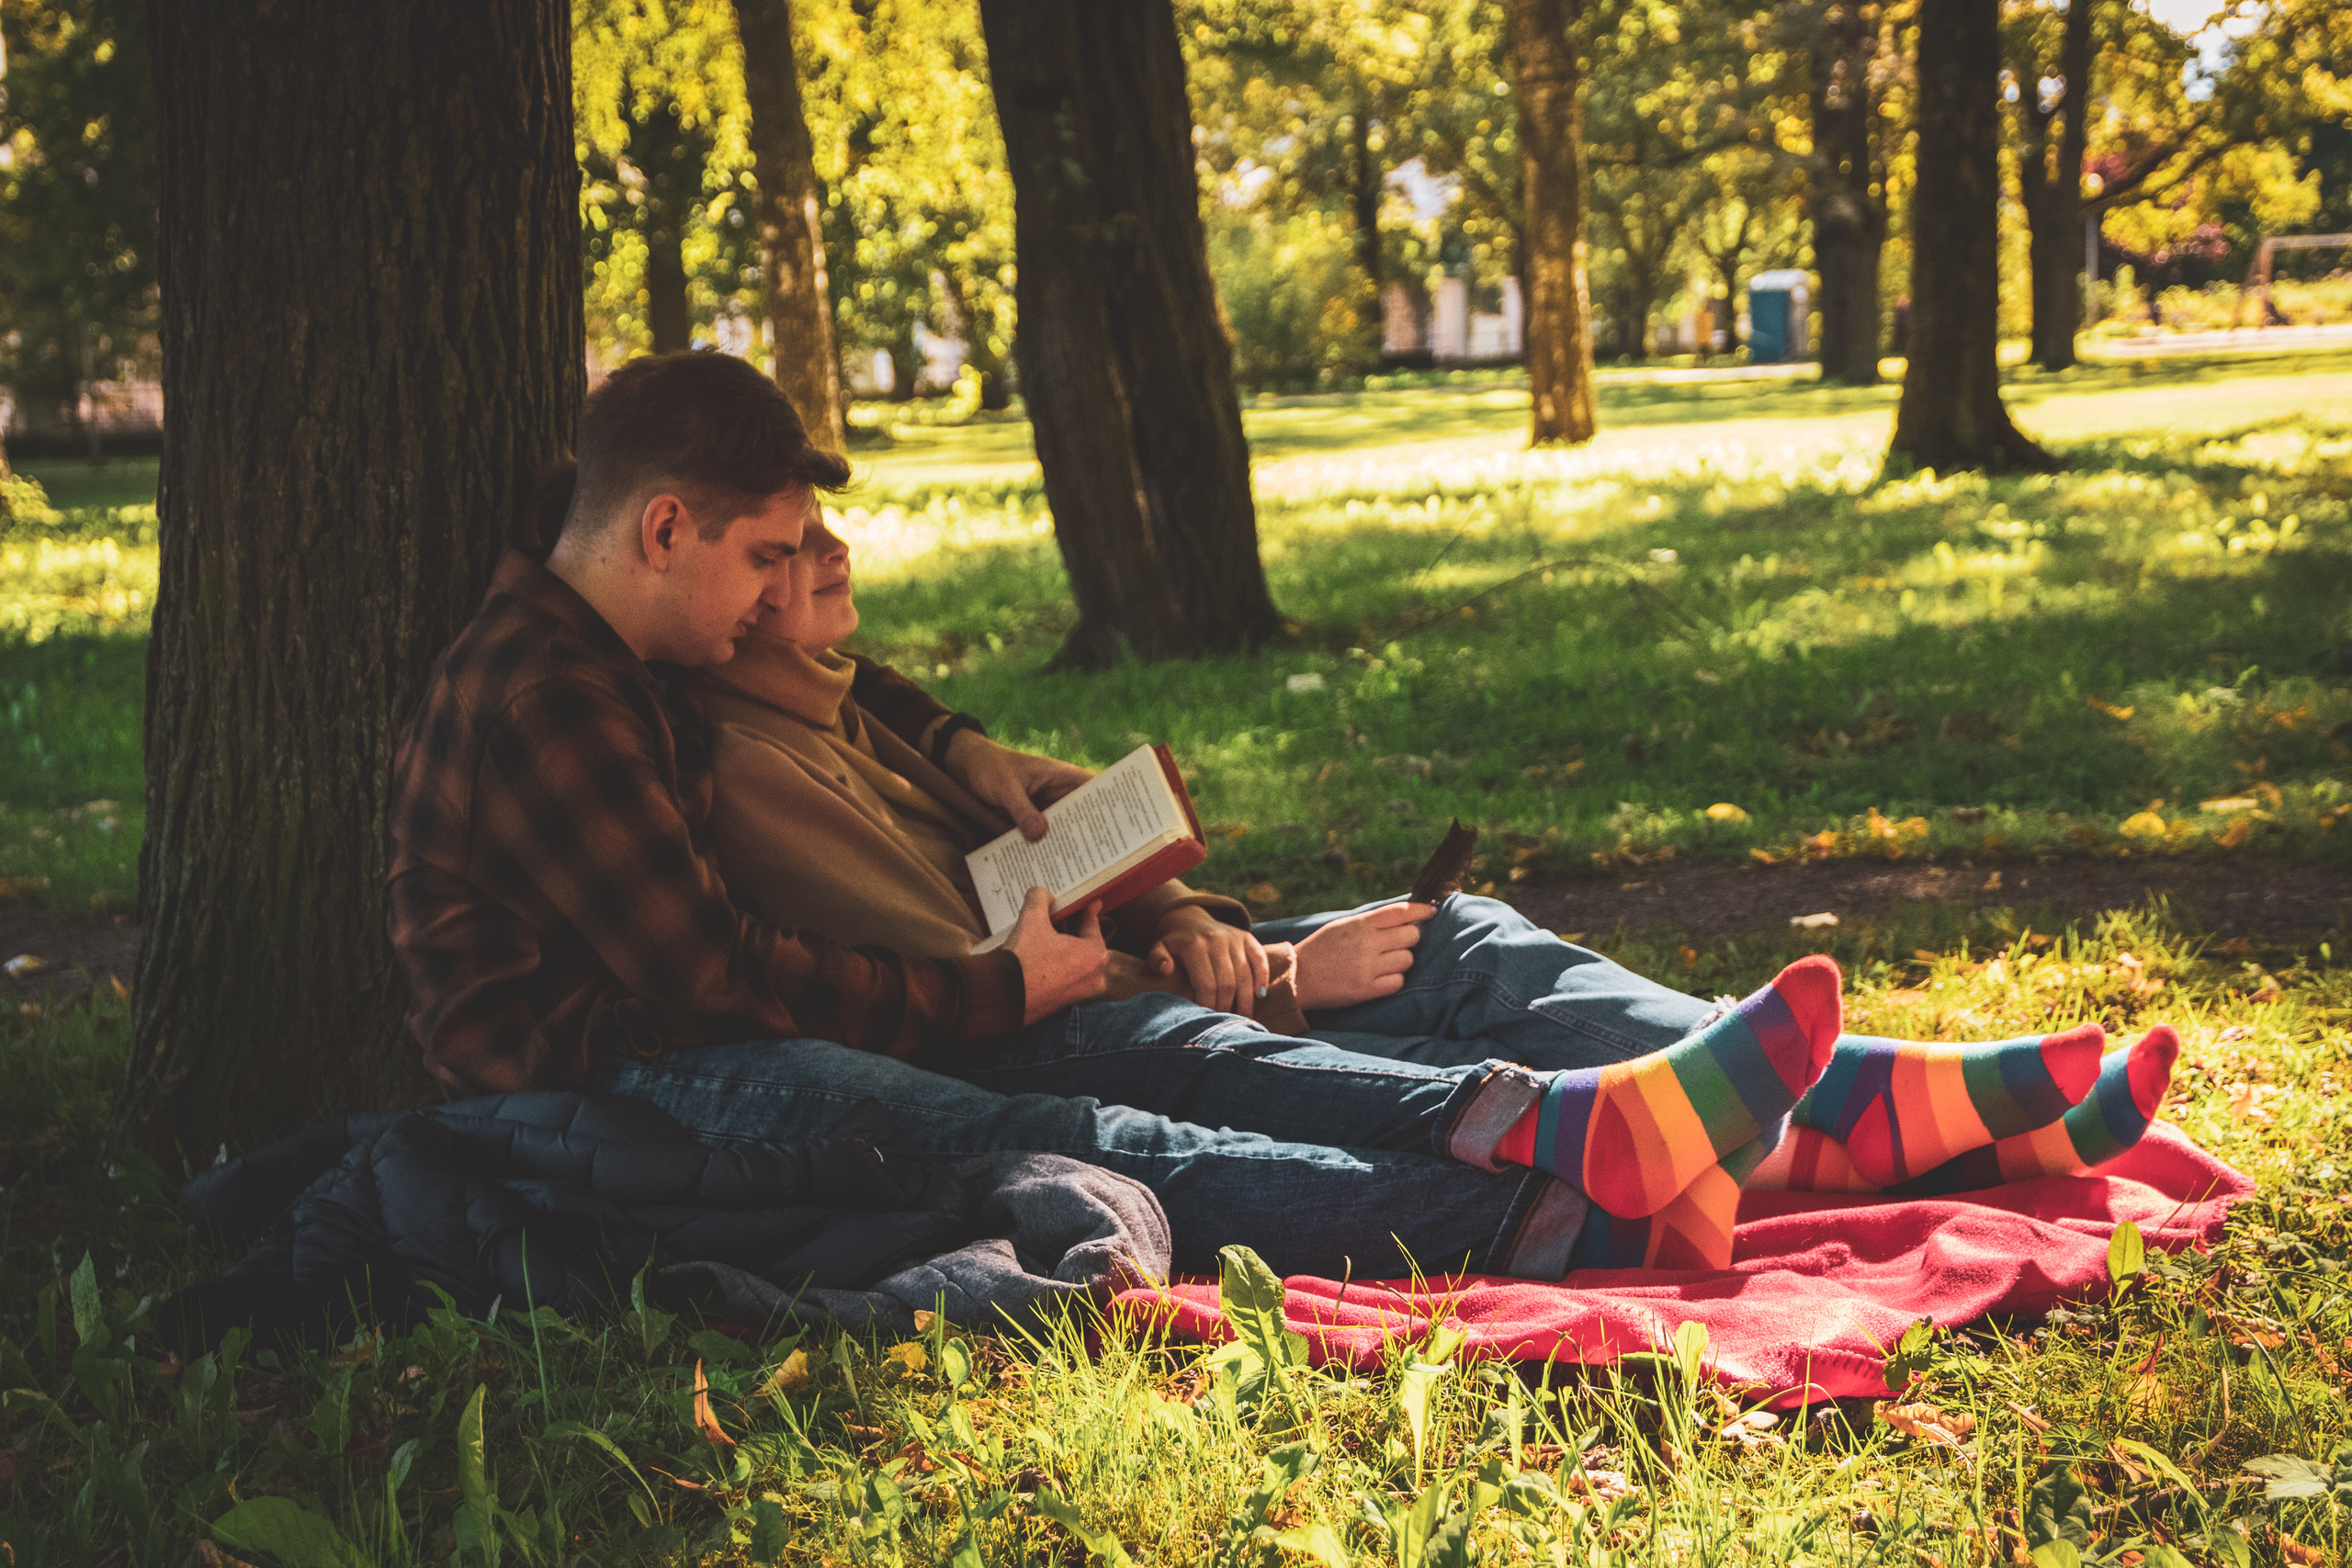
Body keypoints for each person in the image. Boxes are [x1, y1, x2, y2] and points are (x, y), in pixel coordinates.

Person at [664, 440, 2183, 1270]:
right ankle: (1878, 1118)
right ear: (717, 587)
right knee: (1417, 971)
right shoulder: (754, 759)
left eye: (820, 537)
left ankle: (1875, 1106)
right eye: (785, 555)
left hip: (1156, 978)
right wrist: (1273, 975)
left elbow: (1067, 822)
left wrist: (1191, 905)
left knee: (1465, 938)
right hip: (1111, 1031)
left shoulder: (860, 705)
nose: (831, 566)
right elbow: (977, 975)